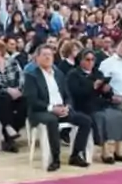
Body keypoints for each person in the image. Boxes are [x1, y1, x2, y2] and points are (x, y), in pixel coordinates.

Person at [23, 44, 92, 172]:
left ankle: (76, 155)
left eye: (50, 55)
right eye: (44, 55)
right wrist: (51, 108)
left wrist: (67, 106)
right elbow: (32, 100)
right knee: (52, 120)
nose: (48, 57)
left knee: (85, 120)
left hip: (61, 109)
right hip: (42, 111)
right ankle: (55, 158)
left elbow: (67, 95)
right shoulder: (31, 76)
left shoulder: (59, 74)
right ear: (37, 58)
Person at [65, 48, 122, 163]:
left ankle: (119, 151)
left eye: (92, 60)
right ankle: (106, 153)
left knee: (119, 115)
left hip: (100, 103)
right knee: (104, 118)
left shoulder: (97, 73)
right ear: (80, 60)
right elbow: (75, 93)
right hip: (84, 105)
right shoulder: (73, 74)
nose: (90, 62)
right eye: (87, 59)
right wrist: (92, 87)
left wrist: (107, 91)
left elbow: (106, 94)